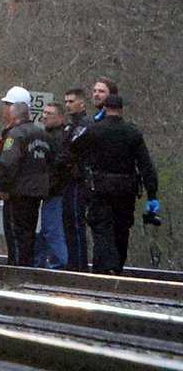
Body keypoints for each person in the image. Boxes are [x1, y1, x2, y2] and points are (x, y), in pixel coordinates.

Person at [71, 95, 159, 274]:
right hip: (126, 189)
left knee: (102, 228)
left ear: (104, 108)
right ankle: (117, 267)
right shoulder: (133, 132)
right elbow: (146, 165)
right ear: (121, 109)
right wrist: (152, 195)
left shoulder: (95, 130)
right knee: (122, 228)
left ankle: (107, 268)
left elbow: (74, 146)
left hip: (100, 187)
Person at [0, 87, 54, 267]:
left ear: (13, 110)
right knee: (29, 232)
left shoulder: (15, 134)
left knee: (15, 232)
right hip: (36, 192)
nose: (4, 109)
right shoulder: (42, 134)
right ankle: (27, 266)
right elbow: (51, 161)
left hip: (17, 192)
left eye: (7, 105)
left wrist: (2, 187)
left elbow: (7, 162)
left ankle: (18, 268)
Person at [34, 103, 69, 269]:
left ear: (61, 118)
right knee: (45, 231)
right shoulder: (48, 136)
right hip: (49, 191)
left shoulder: (58, 139)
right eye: (44, 113)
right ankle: (38, 263)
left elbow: (57, 166)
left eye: (50, 113)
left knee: (52, 230)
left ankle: (58, 266)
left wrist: (48, 185)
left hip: (55, 192)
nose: (45, 116)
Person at [60, 87, 91, 270]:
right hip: (69, 179)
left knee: (76, 222)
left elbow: (71, 151)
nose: (68, 105)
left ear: (81, 102)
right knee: (69, 222)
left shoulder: (85, 126)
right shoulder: (70, 127)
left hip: (79, 180)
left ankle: (79, 265)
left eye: (71, 102)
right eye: (66, 102)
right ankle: (74, 263)